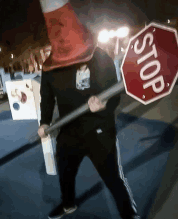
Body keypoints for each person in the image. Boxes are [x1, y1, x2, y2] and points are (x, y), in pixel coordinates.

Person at [38, 47, 140, 219]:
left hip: (99, 129)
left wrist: (105, 104)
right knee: (65, 173)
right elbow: (47, 97)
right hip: (69, 130)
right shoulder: (50, 65)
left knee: (112, 177)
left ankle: (128, 213)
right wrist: (45, 122)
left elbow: (114, 92)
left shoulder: (99, 55)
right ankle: (68, 204)